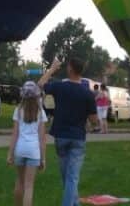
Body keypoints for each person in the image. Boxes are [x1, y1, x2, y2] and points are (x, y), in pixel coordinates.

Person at [38, 58, 97, 206]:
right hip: (78, 137)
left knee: (68, 177)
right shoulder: (88, 94)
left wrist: (52, 69)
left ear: (70, 69)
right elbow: (94, 119)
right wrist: (89, 123)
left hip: (61, 136)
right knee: (71, 178)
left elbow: (40, 85)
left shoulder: (60, 87)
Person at [7, 81, 48, 206]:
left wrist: (10, 154)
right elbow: (42, 138)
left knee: (19, 182)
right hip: (33, 151)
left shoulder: (18, 110)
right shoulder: (41, 112)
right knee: (29, 186)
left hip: (20, 149)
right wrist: (43, 159)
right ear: (37, 95)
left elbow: (15, 134)